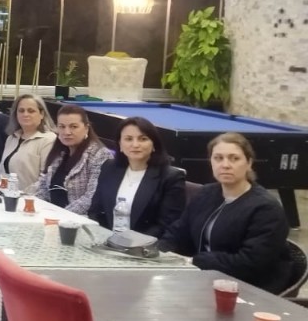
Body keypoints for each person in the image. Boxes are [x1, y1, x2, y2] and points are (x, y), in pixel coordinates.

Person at [160, 133, 293, 293]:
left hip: (248, 288)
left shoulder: (266, 208)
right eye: (218, 158)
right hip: (203, 277)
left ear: (249, 163)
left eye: (234, 158)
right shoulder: (205, 193)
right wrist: (160, 253)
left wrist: (195, 261)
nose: (225, 165)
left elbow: (250, 262)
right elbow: (178, 232)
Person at [88, 117, 187, 238]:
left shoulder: (171, 178)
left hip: (145, 244)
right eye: (128, 139)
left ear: (154, 145)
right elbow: (95, 210)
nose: (135, 145)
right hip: (105, 240)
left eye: (143, 139)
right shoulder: (109, 167)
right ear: (120, 144)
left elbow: (166, 225)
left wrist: (131, 243)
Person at [33, 104, 112, 214]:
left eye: (73, 127)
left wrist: (61, 216)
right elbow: (43, 187)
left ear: (86, 128)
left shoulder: (100, 155)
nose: (67, 132)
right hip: (49, 216)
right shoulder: (59, 152)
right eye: (62, 127)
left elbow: (91, 197)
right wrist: (36, 208)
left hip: (79, 219)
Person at [0, 94, 57, 191]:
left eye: (31, 111)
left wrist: (24, 194)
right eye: (21, 111)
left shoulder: (49, 140)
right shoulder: (12, 138)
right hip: (7, 195)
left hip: (31, 198)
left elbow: (46, 179)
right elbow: (2, 172)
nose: (25, 114)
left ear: (41, 114)